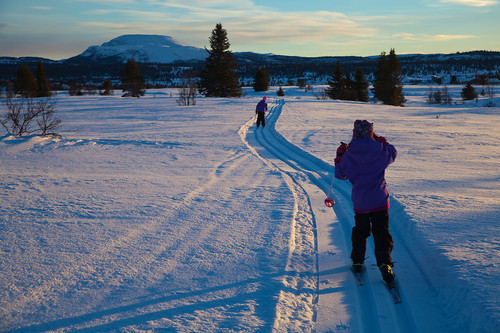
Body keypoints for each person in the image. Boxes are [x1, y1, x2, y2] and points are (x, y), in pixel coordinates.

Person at [334, 120, 397, 283]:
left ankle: (358, 260)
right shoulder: (379, 150)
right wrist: (382, 141)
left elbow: (340, 174)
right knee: (381, 232)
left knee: (360, 231)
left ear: (354, 133)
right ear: (371, 133)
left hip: (361, 203)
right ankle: (384, 263)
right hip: (379, 201)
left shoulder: (350, 153)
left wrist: (340, 156)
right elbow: (393, 153)